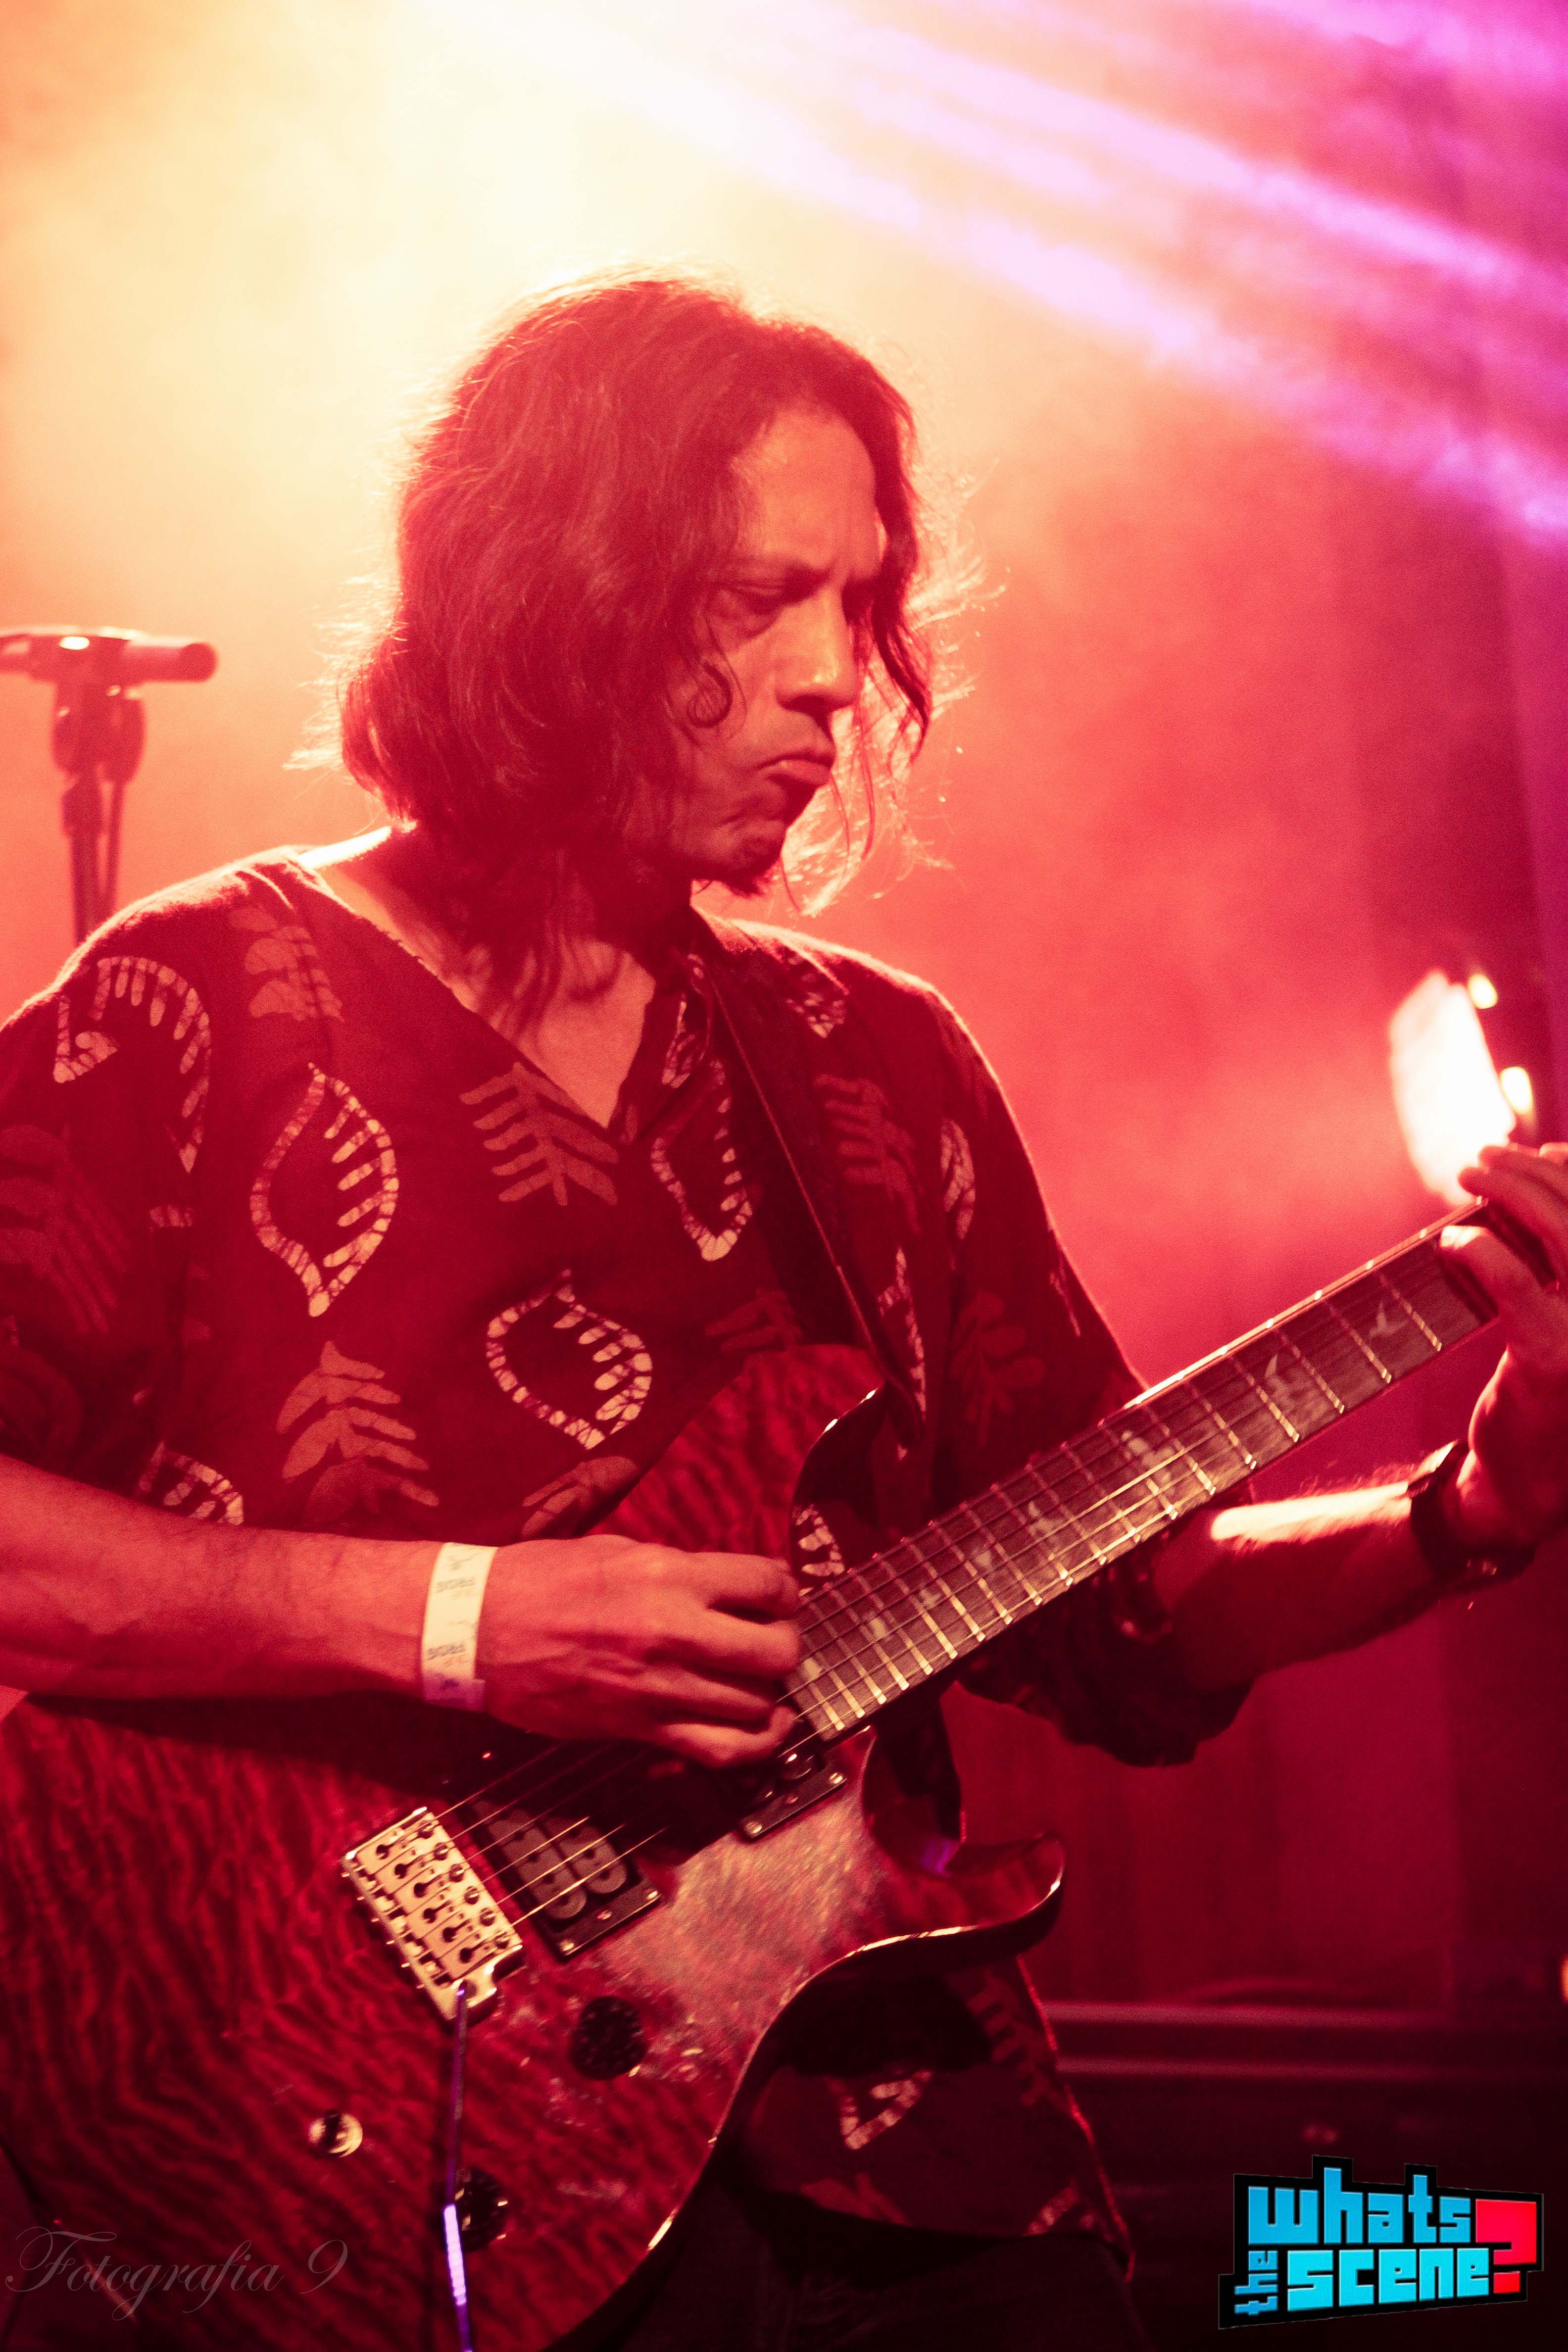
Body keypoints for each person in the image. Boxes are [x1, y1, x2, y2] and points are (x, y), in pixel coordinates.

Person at [0, 273, 1565, 2352]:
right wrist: (461, 1626)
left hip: (888, 2150)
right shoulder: (196, 1004)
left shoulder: (876, 1070)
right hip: (327, 2140)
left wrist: (1472, 1502)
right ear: (549, 601)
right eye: (762, 600)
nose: (837, 678)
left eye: (860, 602)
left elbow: (1132, 1610)